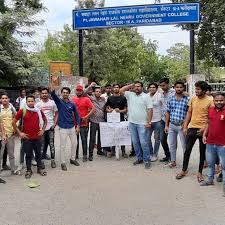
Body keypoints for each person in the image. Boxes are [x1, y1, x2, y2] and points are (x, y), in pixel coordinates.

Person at [176, 81, 213, 182]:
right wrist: (185, 126)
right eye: (196, 89)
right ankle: (184, 170)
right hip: (192, 127)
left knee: (202, 152)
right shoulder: (193, 99)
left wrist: (205, 129)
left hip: (203, 130)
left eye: (198, 89)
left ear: (204, 90)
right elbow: (189, 112)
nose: (196, 91)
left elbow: (211, 117)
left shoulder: (210, 100)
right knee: (187, 150)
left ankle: (200, 172)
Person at [12, 95, 47, 179]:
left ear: (34, 102)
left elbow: (45, 120)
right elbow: (13, 122)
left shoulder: (38, 110)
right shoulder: (22, 111)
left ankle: (39, 169)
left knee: (38, 154)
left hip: (37, 137)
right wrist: (20, 133)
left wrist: (42, 130)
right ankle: (29, 170)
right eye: (29, 101)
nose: (31, 103)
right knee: (28, 155)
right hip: (27, 138)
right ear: (26, 102)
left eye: (32, 101)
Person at [120, 81, 153, 169]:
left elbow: (150, 110)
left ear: (142, 87)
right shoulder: (130, 95)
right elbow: (121, 90)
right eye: (135, 86)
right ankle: (139, 158)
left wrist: (149, 122)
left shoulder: (146, 97)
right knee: (135, 142)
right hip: (132, 123)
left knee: (143, 142)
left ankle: (147, 159)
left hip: (143, 124)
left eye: (138, 86)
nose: (137, 88)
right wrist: (131, 85)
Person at [200, 93, 225, 196]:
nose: (219, 102)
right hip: (210, 142)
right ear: (213, 101)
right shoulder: (210, 110)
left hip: (223, 144)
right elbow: (208, 123)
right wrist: (204, 135)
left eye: (221, 100)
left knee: (224, 166)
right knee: (210, 163)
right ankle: (210, 180)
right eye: (217, 100)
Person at [50, 87, 80, 171]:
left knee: (74, 144)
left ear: (69, 94)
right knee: (62, 146)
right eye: (64, 92)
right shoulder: (59, 102)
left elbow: (77, 115)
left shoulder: (72, 104)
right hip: (62, 127)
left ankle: (72, 159)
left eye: (67, 92)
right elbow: (53, 95)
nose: (65, 94)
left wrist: (78, 126)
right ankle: (63, 162)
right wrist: (52, 88)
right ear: (62, 93)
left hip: (71, 127)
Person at [165, 81, 189, 168]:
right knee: (172, 144)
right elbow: (167, 112)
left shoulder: (188, 99)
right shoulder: (170, 98)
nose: (179, 89)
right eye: (177, 87)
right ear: (174, 88)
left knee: (184, 146)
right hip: (172, 125)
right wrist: (166, 125)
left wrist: (185, 125)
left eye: (180, 87)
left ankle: (185, 164)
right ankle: (173, 161)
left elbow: (189, 113)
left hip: (182, 126)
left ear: (183, 88)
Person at [36, 88, 58, 168]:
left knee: (51, 144)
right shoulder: (38, 104)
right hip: (42, 128)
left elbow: (56, 113)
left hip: (50, 127)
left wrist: (55, 123)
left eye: (46, 93)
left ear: (48, 94)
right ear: (40, 94)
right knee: (42, 145)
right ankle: (41, 162)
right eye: (43, 93)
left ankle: (53, 161)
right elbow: (36, 116)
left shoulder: (52, 103)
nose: (44, 94)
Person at [72, 84, 94, 162]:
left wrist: (86, 117)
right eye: (77, 90)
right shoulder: (73, 99)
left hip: (83, 123)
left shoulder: (86, 99)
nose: (78, 91)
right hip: (74, 124)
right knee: (75, 141)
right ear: (75, 91)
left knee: (84, 140)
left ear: (82, 91)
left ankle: (85, 155)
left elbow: (93, 109)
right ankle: (75, 155)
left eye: (80, 90)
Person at [106, 84, 128, 158]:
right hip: (111, 119)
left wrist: (120, 111)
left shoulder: (123, 98)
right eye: (115, 87)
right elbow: (106, 108)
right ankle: (112, 151)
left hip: (121, 119)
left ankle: (123, 151)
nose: (116, 88)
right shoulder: (110, 98)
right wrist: (109, 110)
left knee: (122, 135)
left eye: (117, 87)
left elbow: (126, 110)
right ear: (113, 89)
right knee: (113, 135)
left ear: (119, 88)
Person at [0, 93, 18, 182]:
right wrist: (2, 134)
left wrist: (15, 128)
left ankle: (13, 169)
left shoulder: (12, 108)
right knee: (0, 154)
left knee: (11, 153)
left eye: (6, 98)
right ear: (0, 100)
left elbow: (16, 118)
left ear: (8, 99)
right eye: (3, 98)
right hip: (1, 136)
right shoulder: (0, 108)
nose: (4, 100)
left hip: (10, 134)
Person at [87, 85, 106, 160]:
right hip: (93, 121)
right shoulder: (92, 99)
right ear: (94, 92)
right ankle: (90, 154)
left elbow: (105, 109)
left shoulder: (103, 100)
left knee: (100, 138)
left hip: (102, 121)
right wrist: (90, 86)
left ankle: (99, 150)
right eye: (96, 91)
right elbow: (84, 93)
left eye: (99, 92)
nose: (98, 93)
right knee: (92, 138)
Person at [159, 78, 175, 163]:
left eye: (164, 85)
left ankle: (173, 158)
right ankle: (167, 155)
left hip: (172, 119)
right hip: (163, 119)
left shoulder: (174, 92)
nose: (162, 87)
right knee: (162, 139)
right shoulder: (161, 93)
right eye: (161, 86)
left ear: (168, 84)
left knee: (173, 141)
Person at [148, 83, 163, 162]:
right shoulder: (146, 96)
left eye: (154, 87)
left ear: (156, 88)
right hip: (148, 120)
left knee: (157, 138)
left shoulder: (160, 96)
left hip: (158, 120)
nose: (152, 88)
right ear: (148, 88)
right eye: (150, 87)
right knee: (147, 138)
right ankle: (150, 153)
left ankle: (155, 154)